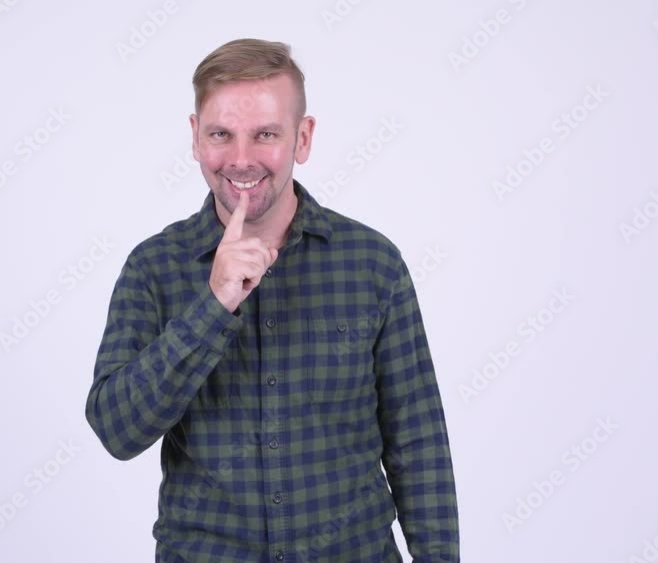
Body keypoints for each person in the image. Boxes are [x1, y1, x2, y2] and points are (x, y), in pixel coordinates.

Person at [85, 38, 459, 563]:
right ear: (195, 137)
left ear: (302, 138)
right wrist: (213, 305)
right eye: (221, 134)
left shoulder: (373, 263)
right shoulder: (153, 267)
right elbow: (117, 430)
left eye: (265, 134)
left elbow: (417, 441)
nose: (241, 159)